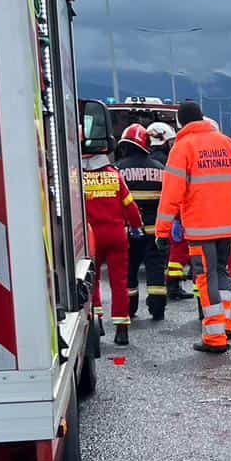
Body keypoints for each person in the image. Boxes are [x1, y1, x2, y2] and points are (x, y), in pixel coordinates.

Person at [155, 101, 231, 354]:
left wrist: (162, 231)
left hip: (200, 230)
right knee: (223, 274)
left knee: (206, 279)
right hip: (227, 229)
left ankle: (215, 338)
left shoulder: (183, 148)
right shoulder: (229, 145)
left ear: (182, 122)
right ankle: (225, 325)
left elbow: (171, 193)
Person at [81, 145, 140, 346]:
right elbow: (130, 205)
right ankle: (122, 329)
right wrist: (136, 226)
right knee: (119, 282)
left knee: (92, 280)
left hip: (91, 237)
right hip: (116, 235)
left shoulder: (78, 179)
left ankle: (97, 322)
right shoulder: (115, 176)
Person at [115, 124, 169, 321]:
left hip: (129, 231)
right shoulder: (161, 169)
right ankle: (158, 308)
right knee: (155, 269)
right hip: (154, 231)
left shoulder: (118, 170)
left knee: (129, 269)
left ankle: (129, 308)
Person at [148, 122, 191, 300]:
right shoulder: (166, 161)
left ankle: (171, 285)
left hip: (151, 216)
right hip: (172, 214)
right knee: (176, 252)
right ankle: (173, 286)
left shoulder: (151, 159)